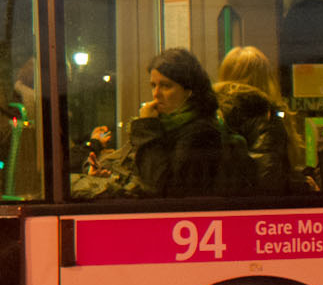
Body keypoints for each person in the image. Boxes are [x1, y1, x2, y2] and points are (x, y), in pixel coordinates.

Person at [90, 48, 229, 199]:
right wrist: (107, 176)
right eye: (153, 85)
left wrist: (147, 126)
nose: (156, 93)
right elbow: (138, 173)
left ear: (189, 90)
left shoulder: (202, 133)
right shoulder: (163, 124)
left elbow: (159, 186)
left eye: (166, 86)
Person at [216, 45, 308, 194]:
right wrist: (301, 186)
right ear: (267, 79)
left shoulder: (215, 114)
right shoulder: (265, 116)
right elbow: (268, 177)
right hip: (261, 210)